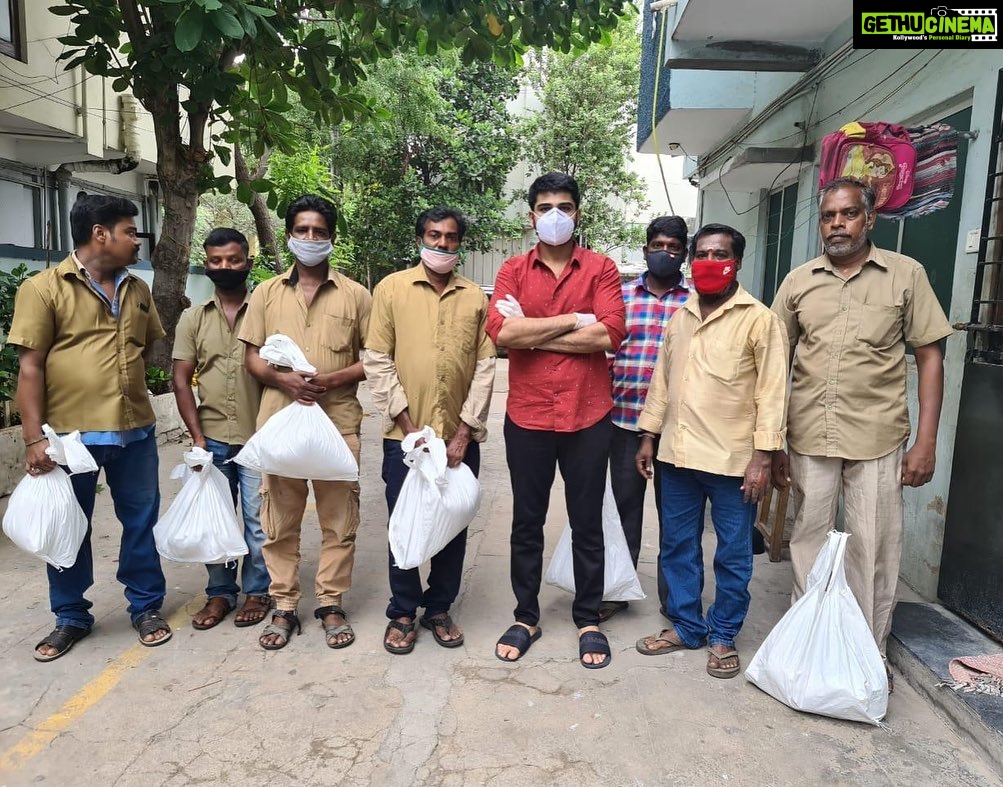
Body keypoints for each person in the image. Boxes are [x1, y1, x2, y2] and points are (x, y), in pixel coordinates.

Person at [771, 178, 952, 688]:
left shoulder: (905, 275)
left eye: (848, 214)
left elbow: (930, 357)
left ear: (869, 219)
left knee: (873, 547)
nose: (836, 225)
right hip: (809, 433)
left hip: (878, 436)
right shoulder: (799, 281)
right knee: (808, 541)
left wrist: (927, 441)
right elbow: (774, 362)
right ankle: (808, 648)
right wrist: (772, 440)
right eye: (828, 216)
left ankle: (867, 657)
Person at [9, 195, 171, 661]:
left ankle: (145, 607)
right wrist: (34, 438)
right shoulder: (44, 289)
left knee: (140, 523)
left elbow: (143, 351)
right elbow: (31, 370)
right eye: (129, 231)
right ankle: (71, 616)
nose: (137, 240)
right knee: (68, 527)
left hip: (135, 430)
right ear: (100, 233)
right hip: (70, 439)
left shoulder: (138, 289)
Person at [634, 223, 788, 679]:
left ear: (736, 262)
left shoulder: (760, 320)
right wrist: (648, 435)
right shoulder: (680, 316)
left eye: (718, 254)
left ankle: (722, 634)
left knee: (733, 553)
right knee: (677, 546)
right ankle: (686, 625)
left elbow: (773, 393)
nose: (707, 262)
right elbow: (663, 380)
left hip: (732, 462)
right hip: (677, 457)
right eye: (700, 254)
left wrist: (763, 457)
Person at [486, 171, 626, 669]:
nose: (555, 216)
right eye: (545, 207)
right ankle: (526, 616)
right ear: (530, 217)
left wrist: (533, 331)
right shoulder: (512, 269)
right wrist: (574, 320)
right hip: (528, 416)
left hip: (588, 415)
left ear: (578, 214)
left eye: (564, 207)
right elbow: (500, 333)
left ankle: (588, 617)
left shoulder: (602, 268)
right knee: (527, 521)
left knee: (587, 522)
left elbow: (610, 335)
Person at [239, 194, 372, 651]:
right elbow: (252, 357)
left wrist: (330, 379)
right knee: (278, 520)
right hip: (280, 423)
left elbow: (373, 358)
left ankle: (330, 602)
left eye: (319, 231)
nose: (311, 239)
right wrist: (285, 381)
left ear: (332, 237)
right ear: (290, 235)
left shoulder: (356, 295)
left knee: (340, 520)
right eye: (302, 231)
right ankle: (284, 606)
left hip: (338, 423)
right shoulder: (267, 292)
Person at [363, 207, 496, 654]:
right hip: (404, 440)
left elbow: (484, 365)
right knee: (405, 525)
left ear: (460, 244)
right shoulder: (392, 289)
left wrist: (465, 430)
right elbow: (377, 358)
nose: (441, 245)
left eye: (450, 238)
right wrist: (406, 425)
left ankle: (439, 607)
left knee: (451, 523)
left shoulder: (475, 297)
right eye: (434, 236)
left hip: (456, 438)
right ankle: (402, 610)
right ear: (420, 238)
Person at [172, 228, 270, 630]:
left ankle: (257, 591)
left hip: (258, 438)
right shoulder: (193, 318)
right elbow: (181, 379)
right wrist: (197, 438)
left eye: (233, 260)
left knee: (257, 521)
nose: (224, 267)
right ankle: (219, 594)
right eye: (216, 261)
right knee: (216, 520)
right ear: (207, 263)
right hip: (211, 438)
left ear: (248, 262)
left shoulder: (267, 310)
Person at [604, 215, 690, 622]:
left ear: (683, 254)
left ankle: (675, 601)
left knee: (676, 517)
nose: (665, 254)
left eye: (673, 248)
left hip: (677, 429)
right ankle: (616, 590)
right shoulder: (620, 298)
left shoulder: (694, 303)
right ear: (644, 250)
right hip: (623, 423)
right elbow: (604, 357)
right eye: (658, 246)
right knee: (623, 513)